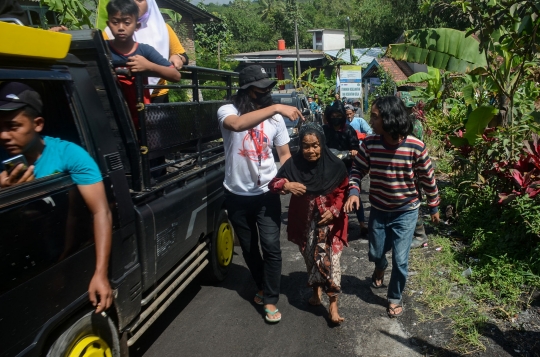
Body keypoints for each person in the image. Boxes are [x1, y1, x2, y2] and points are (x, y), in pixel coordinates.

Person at [0, 82, 113, 313]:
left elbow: (101, 212)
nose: (4, 135)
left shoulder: (69, 155)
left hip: (53, 260)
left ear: (37, 124)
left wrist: (100, 274)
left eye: (13, 126)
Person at [217, 65, 303, 323]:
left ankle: (270, 299)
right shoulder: (228, 110)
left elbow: (284, 155)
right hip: (236, 195)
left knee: (271, 247)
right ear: (246, 90)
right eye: (261, 88)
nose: (267, 92)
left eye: (269, 88)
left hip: (267, 193)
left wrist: (287, 181)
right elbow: (237, 125)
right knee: (249, 249)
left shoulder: (275, 121)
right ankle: (262, 286)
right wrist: (276, 107)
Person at [344, 96, 440, 318]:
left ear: (389, 119)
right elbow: (357, 171)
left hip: (406, 211)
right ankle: (379, 265)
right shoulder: (370, 144)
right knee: (376, 252)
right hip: (379, 209)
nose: (371, 121)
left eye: (375, 117)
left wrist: (434, 206)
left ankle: (394, 296)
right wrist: (354, 191)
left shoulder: (415, 146)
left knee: (401, 258)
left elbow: (428, 179)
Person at [269, 123, 349, 324]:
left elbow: (343, 190)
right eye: (306, 146)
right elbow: (273, 184)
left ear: (322, 144)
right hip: (304, 223)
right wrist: (286, 185)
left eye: (315, 145)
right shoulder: (294, 165)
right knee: (311, 257)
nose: (311, 151)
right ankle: (316, 291)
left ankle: (333, 305)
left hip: (331, 222)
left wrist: (334, 210)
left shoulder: (335, 166)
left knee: (332, 261)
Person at [105, 0, 180, 127]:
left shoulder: (145, 50)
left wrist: (148, 66)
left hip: (142, 113)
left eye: (127, 23)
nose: (121, 27)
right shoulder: (103, 49)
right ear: (108, 24)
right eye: (115, 22)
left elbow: (175, 75)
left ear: (137, 26)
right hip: (114, 114)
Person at [323, 102, 367, 234]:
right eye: (333, 115)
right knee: (327, 194)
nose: (335, 118)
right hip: (329, 168)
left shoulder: (348, 130)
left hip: (346, 166)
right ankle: (328, 221)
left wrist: (353, 152)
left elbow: (355, 147)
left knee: (354, 193)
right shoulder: (325, 130)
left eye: (338, 115)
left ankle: (362, 223)